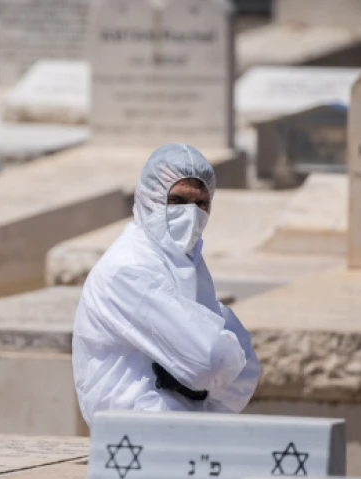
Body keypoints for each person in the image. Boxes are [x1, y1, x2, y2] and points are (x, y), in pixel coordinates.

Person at [72, 143, 261, 425]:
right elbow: (210, 363)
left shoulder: (183, 261)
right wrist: (218, 355)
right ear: (149, 199)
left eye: (201, 204)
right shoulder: (129, 269)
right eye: (177, 201)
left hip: (182, 430)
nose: (191, 213)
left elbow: (247, 371)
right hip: (135, 434)